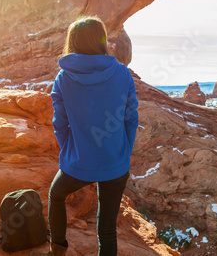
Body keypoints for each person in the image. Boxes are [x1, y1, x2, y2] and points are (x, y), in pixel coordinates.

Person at [30, 16, 138, 256]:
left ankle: (57, 251)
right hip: (115, 163)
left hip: (78, 163)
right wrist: (124, 149)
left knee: (56, 195)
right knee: (107, 226)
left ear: (73, 42)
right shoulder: (122, 73)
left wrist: (71, 151)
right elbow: (131, 118)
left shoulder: (63, 78)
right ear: (101, 40)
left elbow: (60, 123)